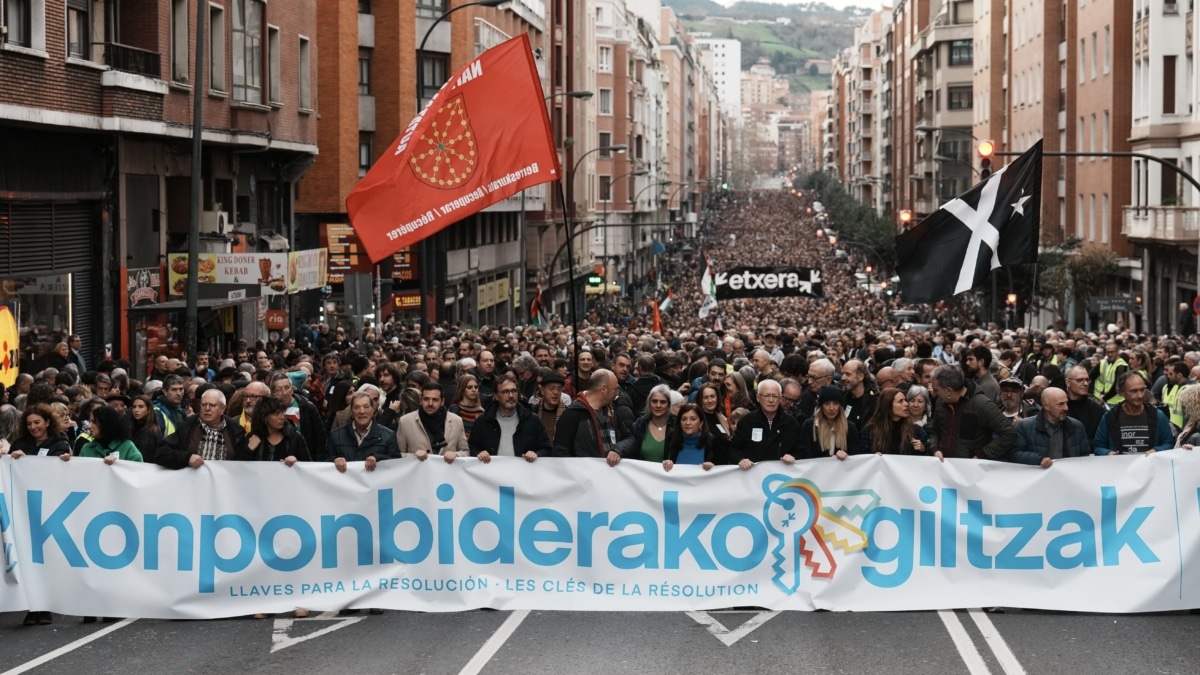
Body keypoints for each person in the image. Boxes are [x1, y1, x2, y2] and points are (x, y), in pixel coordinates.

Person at [927, 364, 1015, 461]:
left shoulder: (982, 405)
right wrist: (935, 449)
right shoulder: (940, 402)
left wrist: (981, 455)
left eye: (936, 390)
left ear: (948, 391)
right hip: (944, 467)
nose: (934, 393)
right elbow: (935, 432)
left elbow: (1009, 433)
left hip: (971, 471)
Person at [155, 389, 249, 468]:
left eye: (212, 405)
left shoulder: (236, 431)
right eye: (203, 405)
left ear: (223, 409)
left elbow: (244, 464)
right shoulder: (187, 427)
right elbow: (161, 453)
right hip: (192, 486)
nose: (207, 409)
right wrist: (187, 458)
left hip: (223, 487)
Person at [469, 374, 551, 462]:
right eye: (505, 392)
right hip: (491, 473)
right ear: (496, 396)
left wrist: (537, 454)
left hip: (523, 472)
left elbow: (546, 448)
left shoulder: (532, 419)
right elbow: (472, 448)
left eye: (514, 391)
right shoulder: (483, 421)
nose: (511, 395)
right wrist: (479, 453)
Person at [1094, 372, 1174, 455]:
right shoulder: (1110, 417)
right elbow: (1098, 446)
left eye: (1142, 390)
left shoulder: (1158, 416)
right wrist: (1108, 453)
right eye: (1134, 391)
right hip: (1120, 467)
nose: (1140, 396)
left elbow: (1169, 443)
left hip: (1149, 466)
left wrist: (1156, 450)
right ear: (1121, 392)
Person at [1009, 387, 1091, 468]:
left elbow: (1085, 457)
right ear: (1046, 406)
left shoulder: (1077, 427)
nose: (1066, 408)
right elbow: (1014, 454)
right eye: (1060, 404)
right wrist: (1039, 459)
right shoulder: (1025, 427)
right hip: (1039, 477)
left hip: (1068, 478)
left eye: (1066, 403)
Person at [729, 379, 800, 469]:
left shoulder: (791, 423)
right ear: (758, 398)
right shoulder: (747, 421)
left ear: (780, 399)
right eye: (766, 396)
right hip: (752, 476)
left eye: (775, 396)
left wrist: (794, 457)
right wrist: (741, 459)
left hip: (781, 476)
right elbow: (733, 448)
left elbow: (800, 450)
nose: (771, 400)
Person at [553, 369, 623, 458]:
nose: (617, 393)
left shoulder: (613, 411)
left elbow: (629, 438)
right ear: (603, 389)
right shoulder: (572, 414)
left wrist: (618, 450)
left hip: (609, 471)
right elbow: (560, 450)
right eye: (615, 389)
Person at [396, 383, 469, 461]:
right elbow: (397, 454)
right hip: (419, 471)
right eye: (426, 399)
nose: (430, 404)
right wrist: (414, 456)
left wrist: (456, 454)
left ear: (442, 401)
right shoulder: (405, 421)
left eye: (435, 400)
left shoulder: (456, 421)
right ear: (420, 400)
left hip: (447, 471)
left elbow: (465, 452)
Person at [328, 392, 400, 470]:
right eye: (357, 407)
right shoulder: (336, 436)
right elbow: (323, 461)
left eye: (366, 407)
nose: (362, 411)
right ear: (351, 412)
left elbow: (396, 464)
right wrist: (334, 459)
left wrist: (378, 458)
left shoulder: (388, 436)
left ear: (373, 410)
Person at [269, 373, 325, 462]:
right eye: (279, 389)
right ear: (272, 392)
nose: (284, 393)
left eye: (287, 388)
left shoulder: (307, 407)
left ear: (292, 389)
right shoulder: (266, 411)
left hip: (304, 460)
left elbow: (320, 438)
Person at [612, 384, 674, 463]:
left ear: (668, 405)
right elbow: (630, 445)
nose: (658, 405)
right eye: (654, 401)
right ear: (649, 403)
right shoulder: (639, 425)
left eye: (663, 402)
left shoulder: (676, 425)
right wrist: (617, 451)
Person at [859, 387, 927, 455]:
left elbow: (928, 455)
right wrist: (873, 456)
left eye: (905, 400)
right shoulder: (871, 430)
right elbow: (863, 456)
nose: (906, 404)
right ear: (888, 405)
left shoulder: (915, 430)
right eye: (900, 401)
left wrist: (923, 449)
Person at [245, 396, 312, 463]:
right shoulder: (253, 437)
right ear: (264, 417)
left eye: (282, 412)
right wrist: (249, 450)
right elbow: (239, 466)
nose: (282, 417)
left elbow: (308, 466)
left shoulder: (295, 437)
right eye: (276, 414)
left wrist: (296, 462)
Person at [801, 385, 860, 460]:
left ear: (840, 406)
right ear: (821, 406)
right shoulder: (809, 426)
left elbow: (856, 457)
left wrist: (847, 456)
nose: (831, 408)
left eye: (835, 403)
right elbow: (806, 456)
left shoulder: (850, 427)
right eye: (827, 403)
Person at [73, 404, 143, 463]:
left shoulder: (127, 447)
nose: (89, 426)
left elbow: (138, 470)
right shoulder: (87, 449)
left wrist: (118, 464)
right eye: (90, 421)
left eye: (94, 422)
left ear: (106, 424)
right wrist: (67, 462)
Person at [662, 403, 717, 472]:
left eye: (693, 419)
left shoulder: (713, 443)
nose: (688, 423)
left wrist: (714, 467)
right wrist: (666, 464)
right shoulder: (671, 440)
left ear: (701, 423)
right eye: (684, 419)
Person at [1063, 365, 1105, 441]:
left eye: (1087, 380)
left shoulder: (1096, 409)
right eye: (1080, 380)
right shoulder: (1059, 406)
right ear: (1068, 382)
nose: (1085, 384)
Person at [839, 360, 878, 432]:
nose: (843, 378)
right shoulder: (842, 397)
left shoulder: (874, 401)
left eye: (848, 374)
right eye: (842, 374)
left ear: (860, 377)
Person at [1091, 341, 1129, 406]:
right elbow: (1091, 376)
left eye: (1112, 352)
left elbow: (1117, 385)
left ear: (1117, 352)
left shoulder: (1122, 365)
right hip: (1100, 399)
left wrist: (1104, 398)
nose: (1110, 354)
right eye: (1108, 352)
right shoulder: (1103, 362)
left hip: (1115, 401)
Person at [449, 373, 485, 439]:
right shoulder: (455, 409)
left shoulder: (481, 411)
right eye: (469, 387)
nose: (474, 390)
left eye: (476, 387)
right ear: (462, 389)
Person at [152, 374, 188, 438]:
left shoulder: (181, 410)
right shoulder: (157, 411)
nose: (178, 393)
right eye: (174, 390)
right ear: (165, 392)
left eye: (181, 389)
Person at [1158, 361, 1191, 432]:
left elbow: (1189, 415)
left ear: (1179, 375)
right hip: (1173, 429)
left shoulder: (1187, 390)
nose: (1167, 376)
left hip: (1182, 430)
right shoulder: (1175, 388)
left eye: (1171, 374)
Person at [129, 394, 162, 463]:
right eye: (134, 407)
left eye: (141, 407)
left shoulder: (149, 432)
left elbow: (144, 458)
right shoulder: (133, 426)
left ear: (148, 410)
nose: (136, 410)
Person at [1173, 384, 1200, 448]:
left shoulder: (1197, 427)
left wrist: (1193, 450)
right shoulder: (1192, 422)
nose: (1185, 410)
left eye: (1186, 406)